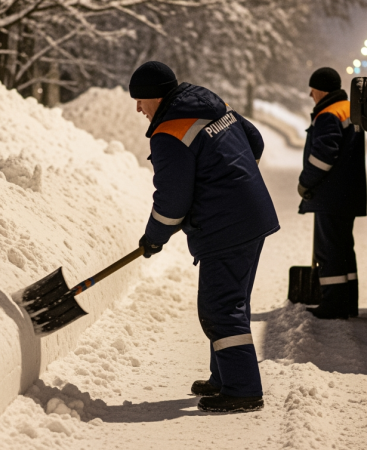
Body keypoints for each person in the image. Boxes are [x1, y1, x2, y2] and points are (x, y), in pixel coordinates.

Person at [130, 61, 279, 413]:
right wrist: (232, 177)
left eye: (140, 100)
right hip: (251, 215)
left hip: (226, 227)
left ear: (156, 96)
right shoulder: (208, 100)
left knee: (219, 307)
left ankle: (243, 390)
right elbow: (254, 140)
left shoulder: (168, 131)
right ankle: (225, 377)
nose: (138, 108)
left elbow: (172, 201)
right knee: (231, 300)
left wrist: (154, 237)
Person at [297, 67, 367, 319]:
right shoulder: (348, 109)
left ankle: (333, 304)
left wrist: (305, 183)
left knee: (329, 250)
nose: (310, 95)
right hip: (347, 193)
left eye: (312, 89)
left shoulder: (328, 115)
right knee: (343, 248)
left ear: (321, 90)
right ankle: (347, 301)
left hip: (331, 194)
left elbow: (323, 157)